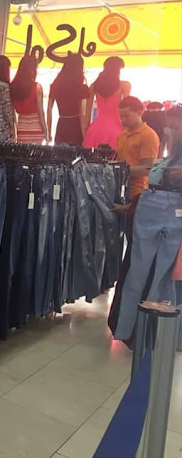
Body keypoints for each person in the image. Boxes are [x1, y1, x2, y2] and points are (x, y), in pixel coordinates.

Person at [108, 96, 160, 340]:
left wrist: (123, 170)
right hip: (121, 192)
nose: (123, 119)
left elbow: (148, 167)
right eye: (121, 116)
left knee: (134, 249)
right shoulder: (122, 135)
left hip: (138, 196)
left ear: (139, 112)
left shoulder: (148, 136)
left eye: (126, 115)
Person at [83, 56, 131, 149]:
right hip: (116, 126)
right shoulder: (125, 85)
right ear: (118, 70)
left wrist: (87, 129)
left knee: (93, 156)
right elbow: (126, 109)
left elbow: (87, 113)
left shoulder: (94, 85)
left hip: (96, 127)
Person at [47, 53, 89, 145]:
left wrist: (48, 132)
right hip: (76, 127)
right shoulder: (82, 87)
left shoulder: (55, 86)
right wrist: (85, 137)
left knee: (60, 152)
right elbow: (83, 114)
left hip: (61, 124)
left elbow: (49, 110)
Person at [10, 55, 47, 144]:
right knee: (36, 152)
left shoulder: (13, 87)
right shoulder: (37, 87)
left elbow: (12, 114)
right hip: (37, 129)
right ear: (33, 70)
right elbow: (41, 112)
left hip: (22, 130)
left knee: (23, 152)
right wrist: (46, 131)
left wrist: (14, 133)